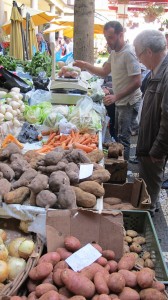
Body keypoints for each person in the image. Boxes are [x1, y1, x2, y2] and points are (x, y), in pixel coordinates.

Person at [74, 21, 142, 160]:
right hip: (120, 100)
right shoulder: (114, 52)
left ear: (120, 35)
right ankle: (119, 165)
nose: (108, 42)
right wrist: (85, 65)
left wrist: (116, 96)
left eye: (110, 38)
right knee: (118, 134)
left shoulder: (128, 53)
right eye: (106, 38)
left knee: (123, 138)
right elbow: (104, 71)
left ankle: (124, 170)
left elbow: (137, 81)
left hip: (128, 102)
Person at [133, 29, 168, 216]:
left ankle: (148, 219)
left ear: (148, 52)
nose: (139, 60)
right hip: (149, 140)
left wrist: (158, 149)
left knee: (151, 187)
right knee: (147, 182)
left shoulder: (166, 73)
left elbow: (167, 118)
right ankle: (146, 210)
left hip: (155, 145)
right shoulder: (156, 70)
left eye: (138, 54)